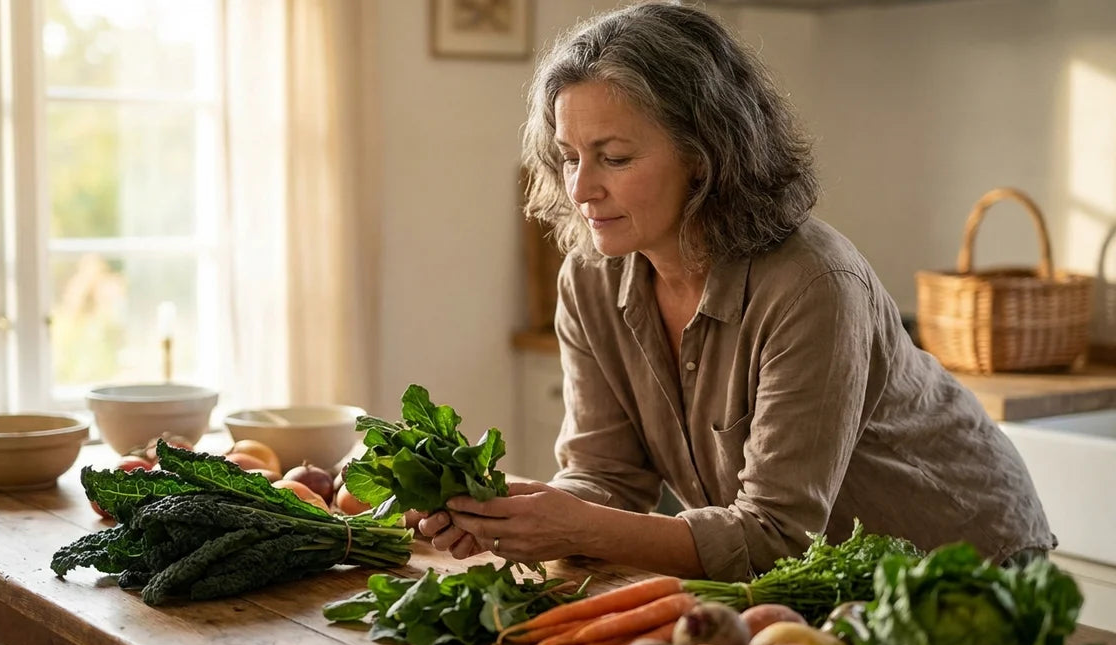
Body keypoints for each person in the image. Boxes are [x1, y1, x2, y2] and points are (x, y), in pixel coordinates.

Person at [419, 1, 1054, 581]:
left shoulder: (813, 283)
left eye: (614, 157)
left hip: (967, 560)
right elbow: (605, 475)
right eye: (568, 156)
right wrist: (509, 513)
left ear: (703, 155)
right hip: (821, 580)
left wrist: (575, 527)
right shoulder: (590, 280)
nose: (581, 188)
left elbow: (776, 535)